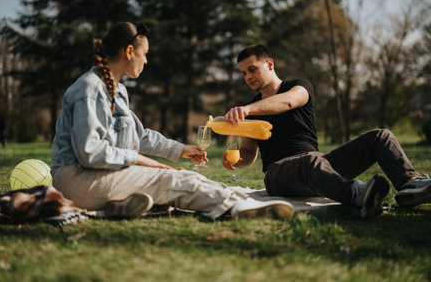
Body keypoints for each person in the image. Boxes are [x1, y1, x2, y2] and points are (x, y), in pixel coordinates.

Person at [51, 23, 294, 221]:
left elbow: (140, 136)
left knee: (179, 176)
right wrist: (146, 163)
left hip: (97, 175)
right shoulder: (90, 90)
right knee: (172, 180)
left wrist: (180, 150)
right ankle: (240, 207)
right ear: (129, 52)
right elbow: (90, 153)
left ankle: (117, 207)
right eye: (144, 54)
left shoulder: (118, 91)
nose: (145, 61)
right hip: (78, 180)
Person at [221, 44, 431, 218]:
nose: (248, 76)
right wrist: (236, 159)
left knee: (381, 136)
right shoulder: (249, 110)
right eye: (243, 73)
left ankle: (411, 186)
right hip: (279, 173)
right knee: (311, 162)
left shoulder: (299, 87)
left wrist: (247, 110)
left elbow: (288, 102)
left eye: (252, 69)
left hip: (319, 164)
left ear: (269, 64)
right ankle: (359, 196)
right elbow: (249, 154)